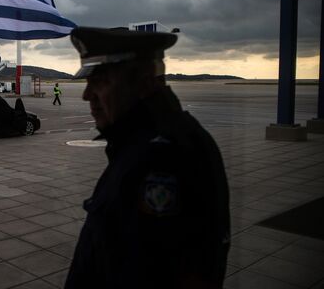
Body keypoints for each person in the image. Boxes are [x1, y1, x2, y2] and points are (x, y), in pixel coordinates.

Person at [64, 27, 230, 289]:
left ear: (143, 82)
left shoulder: (163, 157)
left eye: (101, 81)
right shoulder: (139, 142)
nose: (87, 95)